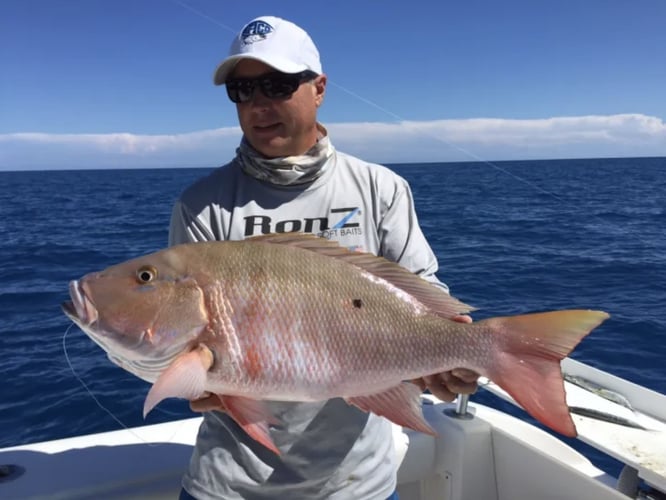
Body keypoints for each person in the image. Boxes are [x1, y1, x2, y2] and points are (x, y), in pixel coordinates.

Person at [169, 15, 478, 500]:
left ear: (319, 88)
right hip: (228, 486)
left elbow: (424, 291)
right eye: (242, 90)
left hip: (358, 486)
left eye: (276, 84)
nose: (258, 104)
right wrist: (191, 381)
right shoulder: (201, 204)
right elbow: (194, 351)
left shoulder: (381, 188)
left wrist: (452, 349)